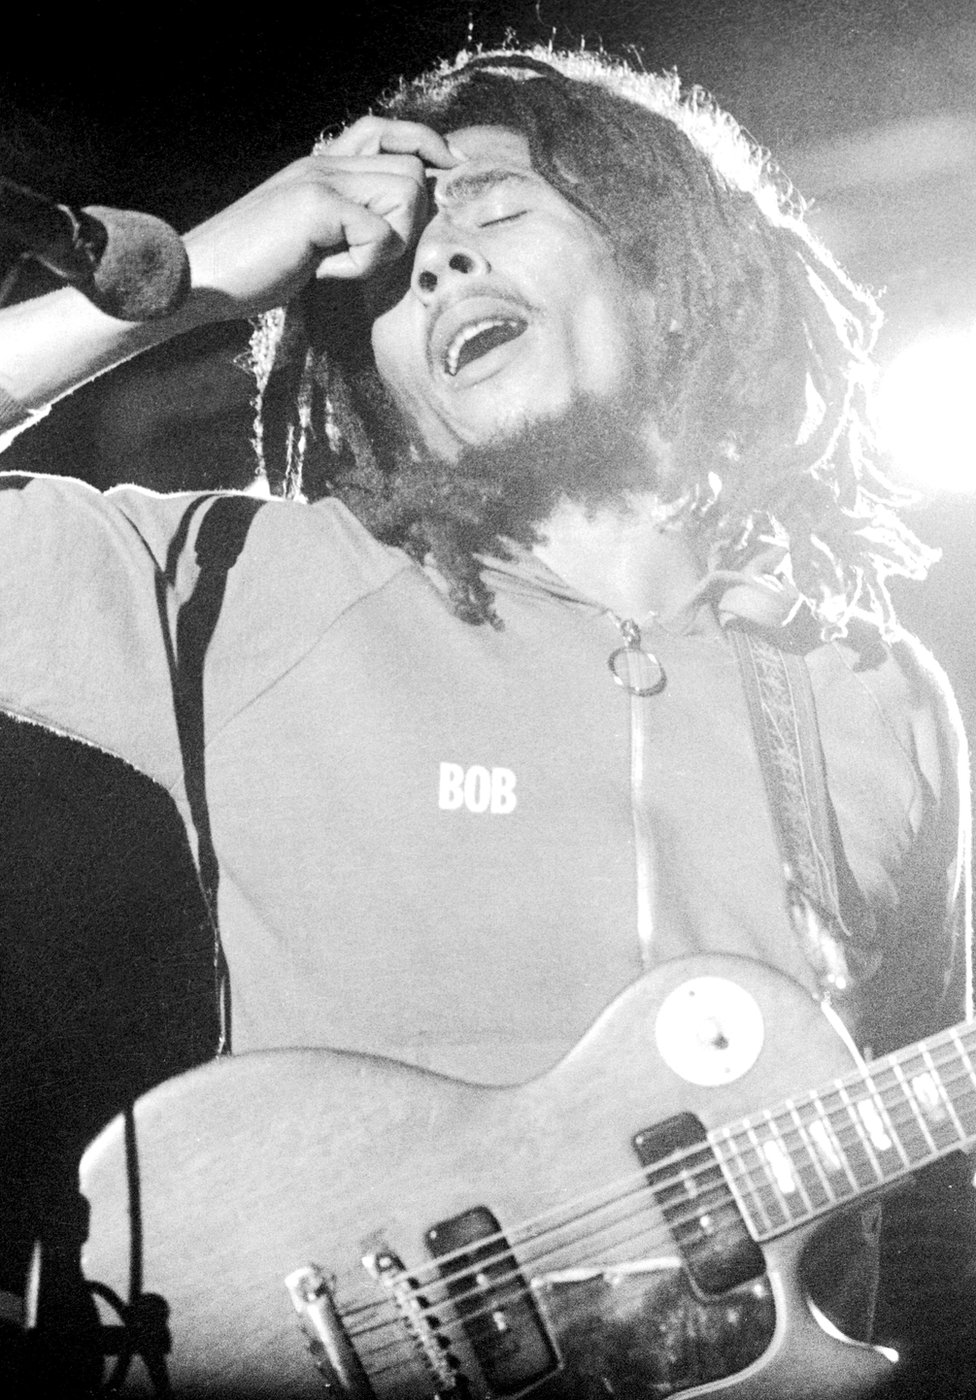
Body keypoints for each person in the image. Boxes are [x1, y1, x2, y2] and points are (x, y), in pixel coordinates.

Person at [0, 46, 971, 1396]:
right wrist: (197, 275)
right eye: (393, 278)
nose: (440, 264)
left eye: (500, 212)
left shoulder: (869, 695)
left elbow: (919, 1159)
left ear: (666, 262)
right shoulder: (250, 586)